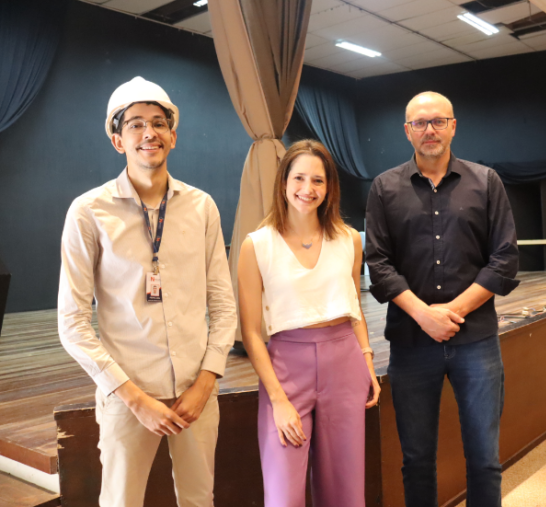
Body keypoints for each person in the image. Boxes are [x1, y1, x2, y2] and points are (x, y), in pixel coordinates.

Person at [58, 76, 237, 507]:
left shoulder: (202, 207)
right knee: (121, 501)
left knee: (199, 499)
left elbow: (223, 304)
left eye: (158, 123)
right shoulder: (88, 212)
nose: (149, 133)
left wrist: (206, 381)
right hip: (127, 394)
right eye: (135, 124)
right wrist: (134, 400)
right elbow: (72, 323)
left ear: (173, 136)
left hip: (196, 391)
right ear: (117, 140)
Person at [365, 91, 519, 507]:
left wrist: (451, 312)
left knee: (484, 460)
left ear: (453, 126)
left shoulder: (486, 182)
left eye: (437, 121)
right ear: (407, 131)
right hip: (411, 345)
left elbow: (504, 258)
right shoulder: (384, 188)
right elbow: (378, 263)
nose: (429, 130)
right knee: (416, 460)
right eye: (420, 123)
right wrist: (423, 315)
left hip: (477, 342)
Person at [237, 139, 381, 507]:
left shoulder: (348, 239)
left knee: (345, 491)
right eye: (299, 178)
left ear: (329, 187)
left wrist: (367, 360)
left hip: (344, 363)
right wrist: (278, 399)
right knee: (283, 496)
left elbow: (353, 307)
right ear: (283, 182)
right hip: (286, 368)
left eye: (318, 180)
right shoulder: (257, 245)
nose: (307, 188)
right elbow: (251, 332)